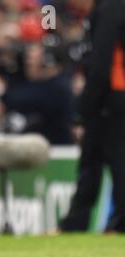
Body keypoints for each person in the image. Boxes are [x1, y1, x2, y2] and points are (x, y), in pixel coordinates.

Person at [60, 0, 125, 233]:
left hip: (113, 97)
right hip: (109, 96)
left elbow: (101, 64)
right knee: (92, 159)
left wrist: (83, 110)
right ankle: (76, 224)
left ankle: (118, 224)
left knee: (115, 162)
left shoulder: (111, 9)